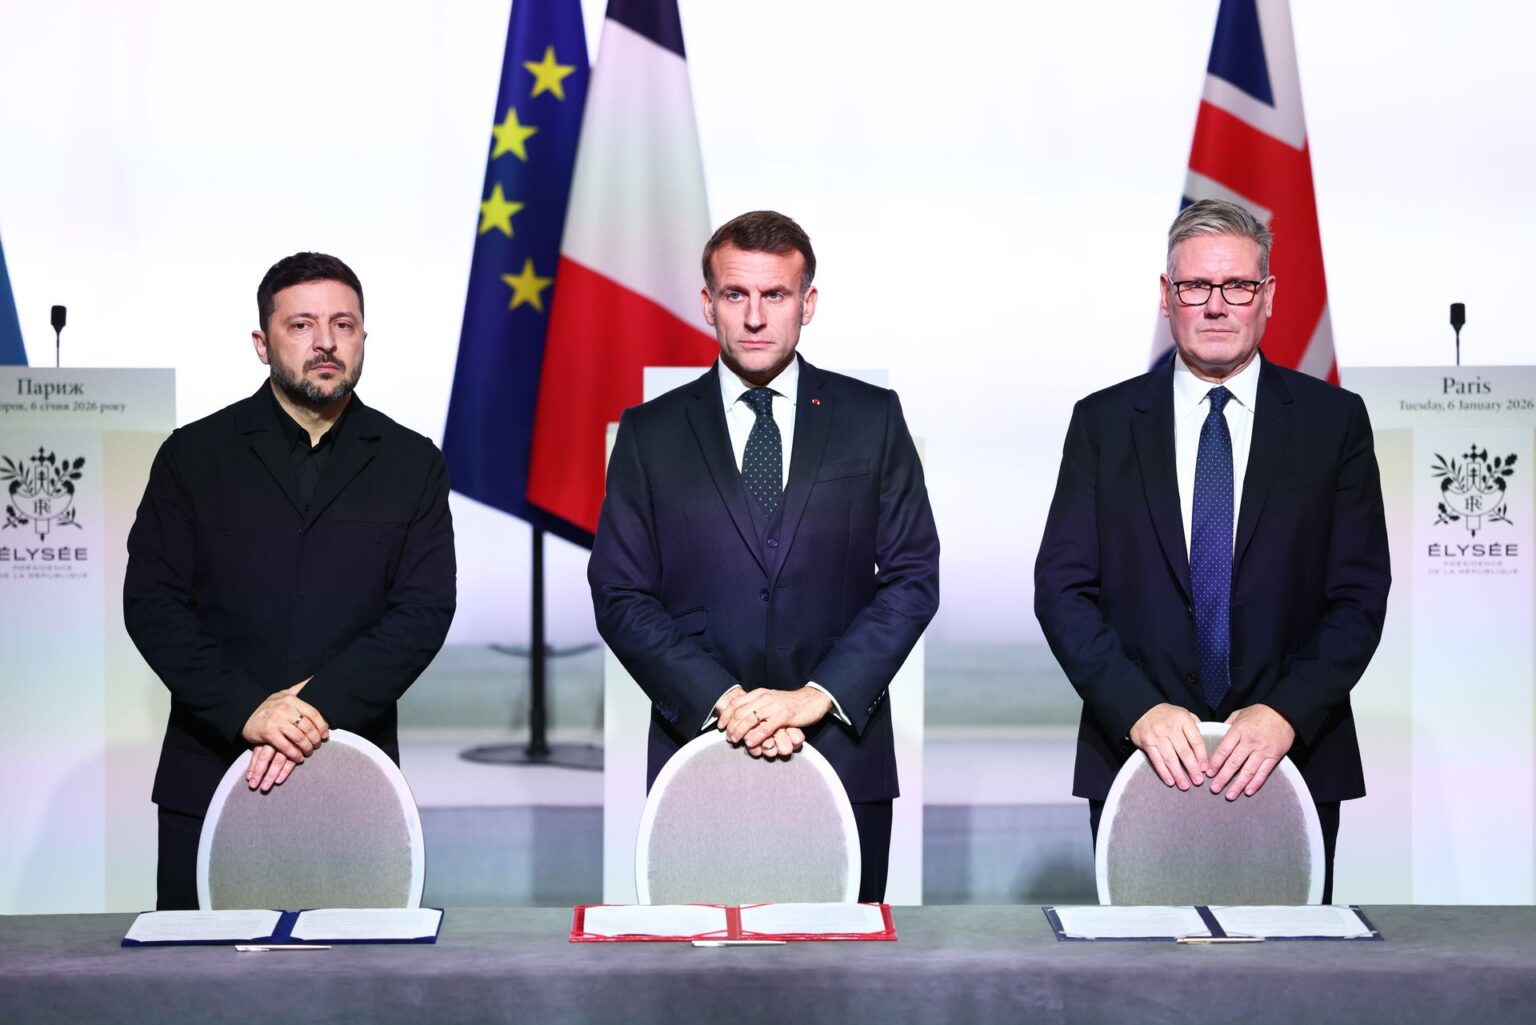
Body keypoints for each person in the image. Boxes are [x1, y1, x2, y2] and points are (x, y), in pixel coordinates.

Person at [1033, 200, 1389, 902]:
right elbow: (1063, 589)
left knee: (1286, 991)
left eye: (1238, 287)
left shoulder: (1333, 423)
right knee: (1144, 988)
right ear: (1166, 297)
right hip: (1140, 754)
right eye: (1196, 286)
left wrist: (1285, 710)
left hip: (1291, 756)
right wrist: (1137, 707)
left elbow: (1358, 596)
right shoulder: (1102, 423)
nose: (1217, 305)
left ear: (1269, 296)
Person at [588, 210, 940, 902]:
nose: (754, 316)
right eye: (735, 295)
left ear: (807, 304)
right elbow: (620, 593)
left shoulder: (873, 419)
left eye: (774, 295)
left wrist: (813, 697)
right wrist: (725, 703)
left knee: (841, 987)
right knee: (701, 987)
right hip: (699, 751)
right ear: (707, 303)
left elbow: (911, 578)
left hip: (842, 749)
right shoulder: (650, 433)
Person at [124, 252, 456, 910]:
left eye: (344, 324)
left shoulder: (412, 461)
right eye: (302, 324)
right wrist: (251, 707)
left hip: (353, 776)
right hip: (211, 769)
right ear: (261, 342)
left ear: (364, 337)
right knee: (197, 999)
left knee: (352, 1001)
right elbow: (154, 604)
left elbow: (422, 611)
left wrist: (312, 708)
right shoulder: (192, 455)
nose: (326, 341)